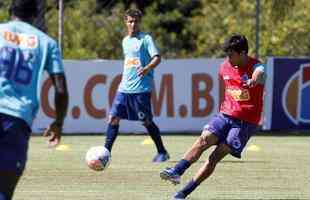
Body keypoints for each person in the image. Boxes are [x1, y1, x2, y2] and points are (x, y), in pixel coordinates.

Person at [160, 34, 265, 199]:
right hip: (225, 114)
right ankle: (177, 171)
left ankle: (183, 193)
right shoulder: (224, 67)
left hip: (245, 123)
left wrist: (253, 79)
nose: (228, 58)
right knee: (203, 140)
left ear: (243, 53)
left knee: (214, 157)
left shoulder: (255, 66)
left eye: (231, 54)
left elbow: (260, 71)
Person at [0, 0, 69, 199]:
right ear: (36, 15)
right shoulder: (47, 42)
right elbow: (61, 89)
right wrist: (58, 123)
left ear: (10, 10)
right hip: (16, 120)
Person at [104, 9, 169, 163]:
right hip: (124, 88)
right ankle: (106, 153)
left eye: (136, 21)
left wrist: (147, 69)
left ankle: (162, 152)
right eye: (130, 21)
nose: (133, 24)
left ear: (140, 22)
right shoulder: (125, 41)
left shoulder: (146, 39)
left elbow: (157, 58)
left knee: (146, 121)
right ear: (125, 22)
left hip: (141, 89)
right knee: (113, 118)